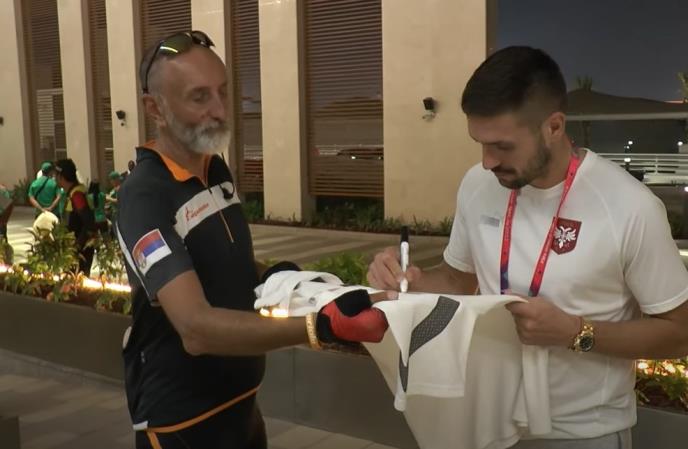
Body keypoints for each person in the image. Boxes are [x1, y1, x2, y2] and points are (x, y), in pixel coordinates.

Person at [367, 46, 688, 448]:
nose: (487, 161)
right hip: (487, 420)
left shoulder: (630, 207)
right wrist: (409, 280)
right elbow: (457, 280)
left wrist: (576, 333)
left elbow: (679, 333)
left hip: (583, 431)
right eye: (480, 144)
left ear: (553, 126)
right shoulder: (477, 185)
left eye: (502, 147)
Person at [116, 30, 390, 449]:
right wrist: (321, 327)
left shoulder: (214, 168)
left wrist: (286, 280)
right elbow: (195, 329)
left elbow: (224, 264)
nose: (220, 110)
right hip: (180, 420)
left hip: (240, 402)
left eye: (224, 91)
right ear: (155, 108)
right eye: (199, 97)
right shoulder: (145, 196)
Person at [54, 159, 96, 276]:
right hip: (75, 249)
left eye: (55, 175)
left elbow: (89, 223)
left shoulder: (77, 195)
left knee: (76, 282)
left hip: (79, 251)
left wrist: (76, 246)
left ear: (61, 177)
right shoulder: (74, 192)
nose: (54, 178)